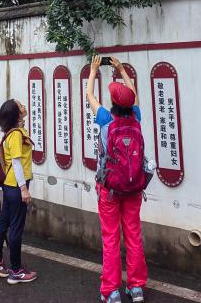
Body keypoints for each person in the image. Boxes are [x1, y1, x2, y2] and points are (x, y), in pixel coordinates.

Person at [87, 56, 148, 303]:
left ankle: (111, 291)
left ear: (112, 102)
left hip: (109, 189)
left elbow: (89, 95)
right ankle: (136, 287)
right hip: (134, 187)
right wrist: (122, 69)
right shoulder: (136, 117)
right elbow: (134, 94)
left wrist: (93, 70)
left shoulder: (105, 118)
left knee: (111, 238)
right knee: (133, 235)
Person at [0, 99, 37, 285]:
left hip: (10, 184)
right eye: (20, 106)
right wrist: (24, 189)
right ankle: (16, 271)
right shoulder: (15, 135)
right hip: (16, 186)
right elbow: (16, 162)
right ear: (16, 114)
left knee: (4, 222)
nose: (24, 106)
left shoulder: (14, 132)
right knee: (16, 227)